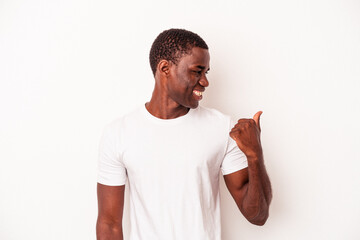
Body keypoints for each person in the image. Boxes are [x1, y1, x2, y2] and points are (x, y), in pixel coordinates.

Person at [96, 28, 272, 240]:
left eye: (206, 72)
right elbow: (109, 224)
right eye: (197, 71)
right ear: (165, 68)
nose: (205, 81)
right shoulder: (119, 133)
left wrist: (255, 155)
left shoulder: (222, 127)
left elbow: (257, 215)